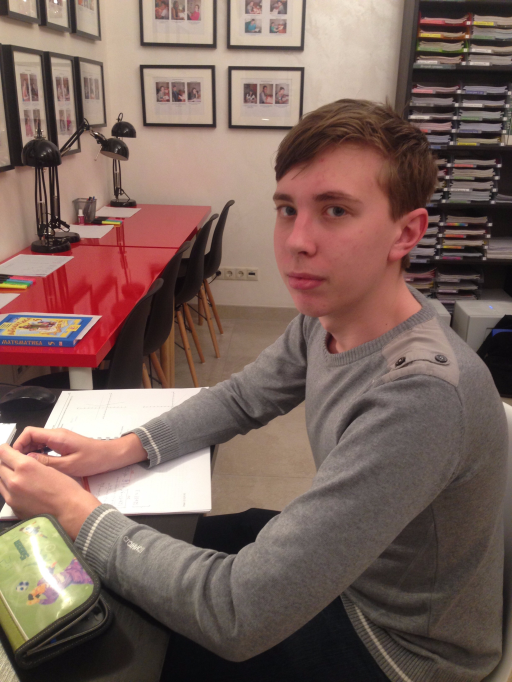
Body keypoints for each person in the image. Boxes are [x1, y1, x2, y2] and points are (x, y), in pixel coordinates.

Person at [0, 99, 507, 682]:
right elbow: (242, 397)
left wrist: (71, 508)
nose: (297, 240)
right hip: (357, 576)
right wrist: (117, 449)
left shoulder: (421, 397)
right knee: (134, 553)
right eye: (287, 209)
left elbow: (236, 614)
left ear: (406, 232)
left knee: (114, 642)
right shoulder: (329, 316)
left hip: (396, 647)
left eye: (335, 210)